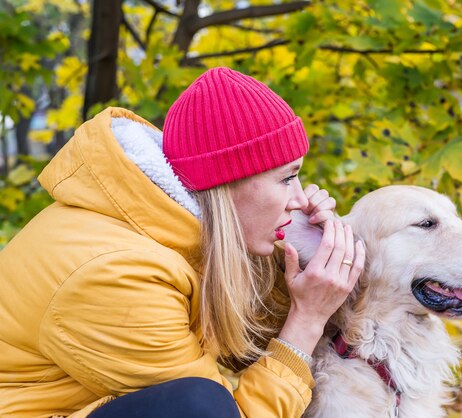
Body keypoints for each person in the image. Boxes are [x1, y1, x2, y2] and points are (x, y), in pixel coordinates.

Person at [0, 67, 365, 417]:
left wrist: (301, 256)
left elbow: (246, 345)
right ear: (227, 182)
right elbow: (224, 413)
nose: (300, 199)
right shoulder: (118, 273)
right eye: (287, 179)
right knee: (198, 403)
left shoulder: (168, 232)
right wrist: (307, 319)